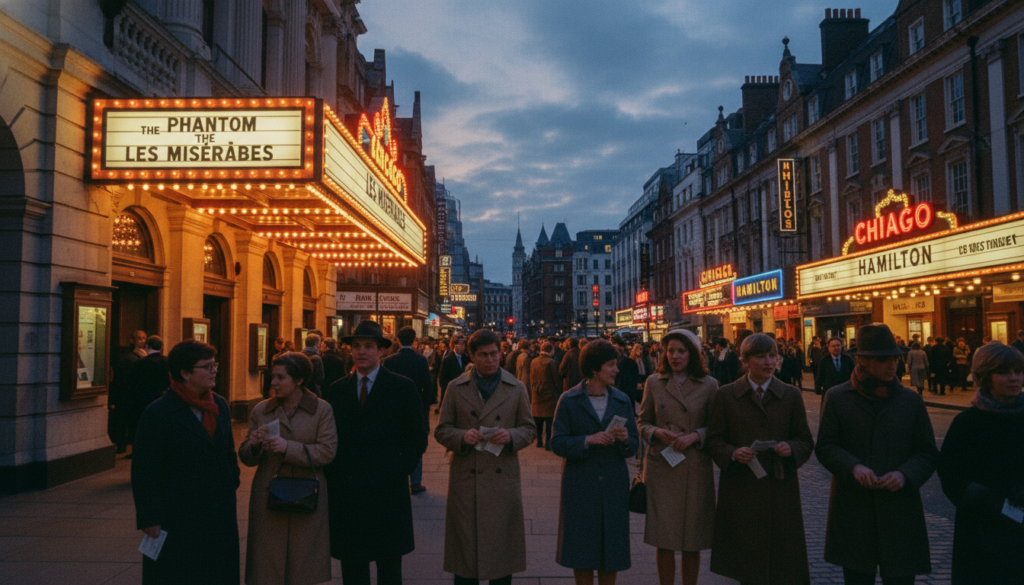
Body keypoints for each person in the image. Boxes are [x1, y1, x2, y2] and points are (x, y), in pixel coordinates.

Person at [815, 324, 938, 585]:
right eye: (883, 359)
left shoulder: (910, 400)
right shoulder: (838, 397)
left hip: (899, 509)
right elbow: (826, 446)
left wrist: (905, 474)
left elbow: (927, 452)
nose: (892, 365)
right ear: (863, 361)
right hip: (854, 508)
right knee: (858, 577)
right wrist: (853, 467)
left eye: (895, 358)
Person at [324, 320, 428, 585]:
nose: (361, 352)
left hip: (387, 491)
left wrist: (397, 469)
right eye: (356, 346)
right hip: (349, 494)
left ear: (382, 351)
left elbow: (417, 435)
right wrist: (337, 474)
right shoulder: (337, 390)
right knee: (353, 568)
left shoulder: (402, 387)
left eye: (369, 346)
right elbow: (328, 438)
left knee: (389, 567)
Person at [706, 333, 814, 585]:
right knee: (746, 563)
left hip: (780, 486)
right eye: (760, 356)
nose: (768, 362)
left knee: (782, 561)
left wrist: (791, 448)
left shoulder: (790, 394)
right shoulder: (726, 395)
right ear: (745, 361)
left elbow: (805, 440)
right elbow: (714, 440)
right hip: (742, 487)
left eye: (772, 356)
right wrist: (733, 453)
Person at [131, 339, 240, 585]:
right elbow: (145, 470)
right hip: (178, 513)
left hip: (217, 511)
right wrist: (150, 517)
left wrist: (231, 478)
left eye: (215, 365)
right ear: (185, 373)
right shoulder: (158, 413)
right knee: (178, 574)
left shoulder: (219, 404)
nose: (214, 370)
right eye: (207, 366)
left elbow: (228, 450)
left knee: (217, 573)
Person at [435, 329, 537, 585]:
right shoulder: (456, 387)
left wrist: (511, 435)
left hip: (501, 480)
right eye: (483, 355)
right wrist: (461, 437)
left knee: (501, 557)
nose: (491, 360)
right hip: (466, 480)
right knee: (465, 559)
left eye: (494, 354)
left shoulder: (515, 387)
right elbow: (442, 429)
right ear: (472, 355)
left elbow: (529, 428)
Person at [239, 352, 338, 585]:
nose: (273, 382)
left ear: (299, 380)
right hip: (268, 497)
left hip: (308, 495)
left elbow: (327, 451)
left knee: (303, 565)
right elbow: (245, 457)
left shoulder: (321, 410)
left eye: (280, 378)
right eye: (273, 376)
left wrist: (288, 447)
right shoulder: (261, 410)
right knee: (268, 566)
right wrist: (253, 446)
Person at [551, 339, 639, 585]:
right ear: (594, 369)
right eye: (611, 365)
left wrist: (623, 440)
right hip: (580, 484)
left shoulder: (621, 400)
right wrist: (587, 440)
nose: (616, 370)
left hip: (613, 483)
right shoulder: (569, 400)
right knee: (582, 551)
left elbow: (634, 445)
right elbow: (557, 442)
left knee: (611, 549)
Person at [937, 341, 1024, 584]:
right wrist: (983, 497)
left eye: (1018, 371)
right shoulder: (968, 423)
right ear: (985, 376)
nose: (1014, 378)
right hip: (981, 529)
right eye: (1004, 372)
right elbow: (950, 473)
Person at [637, 330, 718, 585]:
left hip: (694, 467)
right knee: (665, 538)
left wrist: (695, 436)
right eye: (670, 351)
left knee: (693, 539)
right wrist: (655, 431)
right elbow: (642, 422)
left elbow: (717, 427)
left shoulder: (709, 385)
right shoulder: (654, 382)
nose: (674, 356)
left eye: (681, 351)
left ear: (692, 354)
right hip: (663, 466)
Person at [384, 326, 434, 495]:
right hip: (415, 406)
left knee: (395, 442)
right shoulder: (421, 360)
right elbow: (428, 386)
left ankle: (396, 478)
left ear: (398, 340)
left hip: (393, 407)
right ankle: (415, 482)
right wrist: (425, 406)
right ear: (414, 341)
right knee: (415, 443)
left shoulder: (390, 361)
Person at [125, 335, 169, 457]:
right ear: (161, 347)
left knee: (141, 426)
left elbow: (131, 383)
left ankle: (137, 451)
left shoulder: (140, 363)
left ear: (147, 346)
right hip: (163, 398)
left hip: (142, 400)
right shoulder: (167, 362)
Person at [111, 329, 148, 453]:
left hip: (135, 395)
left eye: (143, 338)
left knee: (132, 422)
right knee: (126, 421)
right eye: (138, 338)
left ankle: (126, 445)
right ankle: (123, 445)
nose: (141, 341)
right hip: (128, 394)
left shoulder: (145, 358)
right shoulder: (127, 358)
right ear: (132, 341)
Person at [530, 341, 561, 450]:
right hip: (549, 395)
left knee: (538, 420)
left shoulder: (533, 361)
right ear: (550, 350)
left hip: (536, 394)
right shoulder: (551, 362)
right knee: (548, 421)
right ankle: (548, 442)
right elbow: (555, 380)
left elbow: (531, 377)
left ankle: (539, 440)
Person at [439, 334, 470, 413]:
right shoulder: (448, 359)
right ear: (454, 345)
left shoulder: (466, 358)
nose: (462, 346)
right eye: (460, 344)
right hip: (453, 394)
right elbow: (443, 380)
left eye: (463, 344)